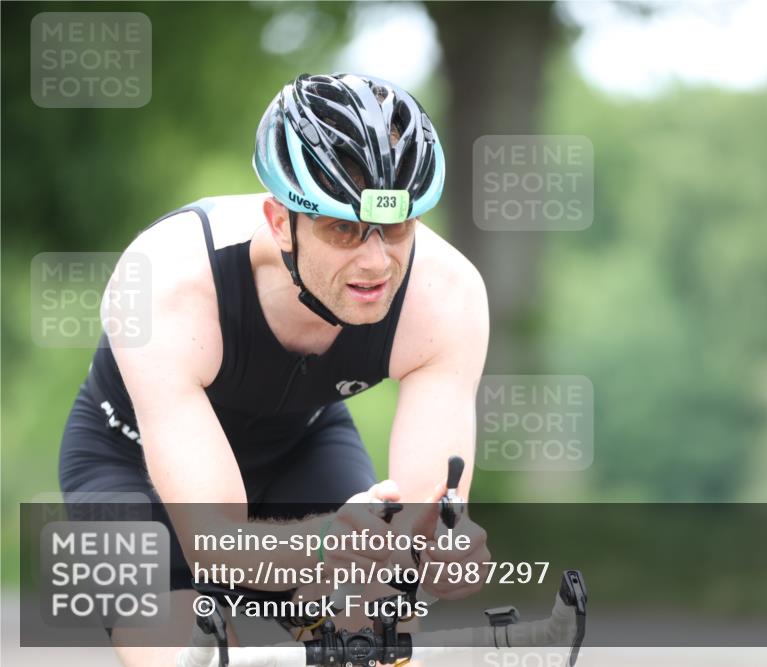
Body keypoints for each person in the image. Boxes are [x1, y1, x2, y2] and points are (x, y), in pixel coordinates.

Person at [58, 73, 490, 667]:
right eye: (343, 228)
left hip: (298, 445)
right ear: (280, 220)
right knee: (190, 656)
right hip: (131, 468)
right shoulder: (165, 284)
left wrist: (438, 549)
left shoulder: (447, 295)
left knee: (378, 620)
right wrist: (326, 544)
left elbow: (424, 521)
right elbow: (215, 546)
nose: (375, 261)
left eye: (394, 228)